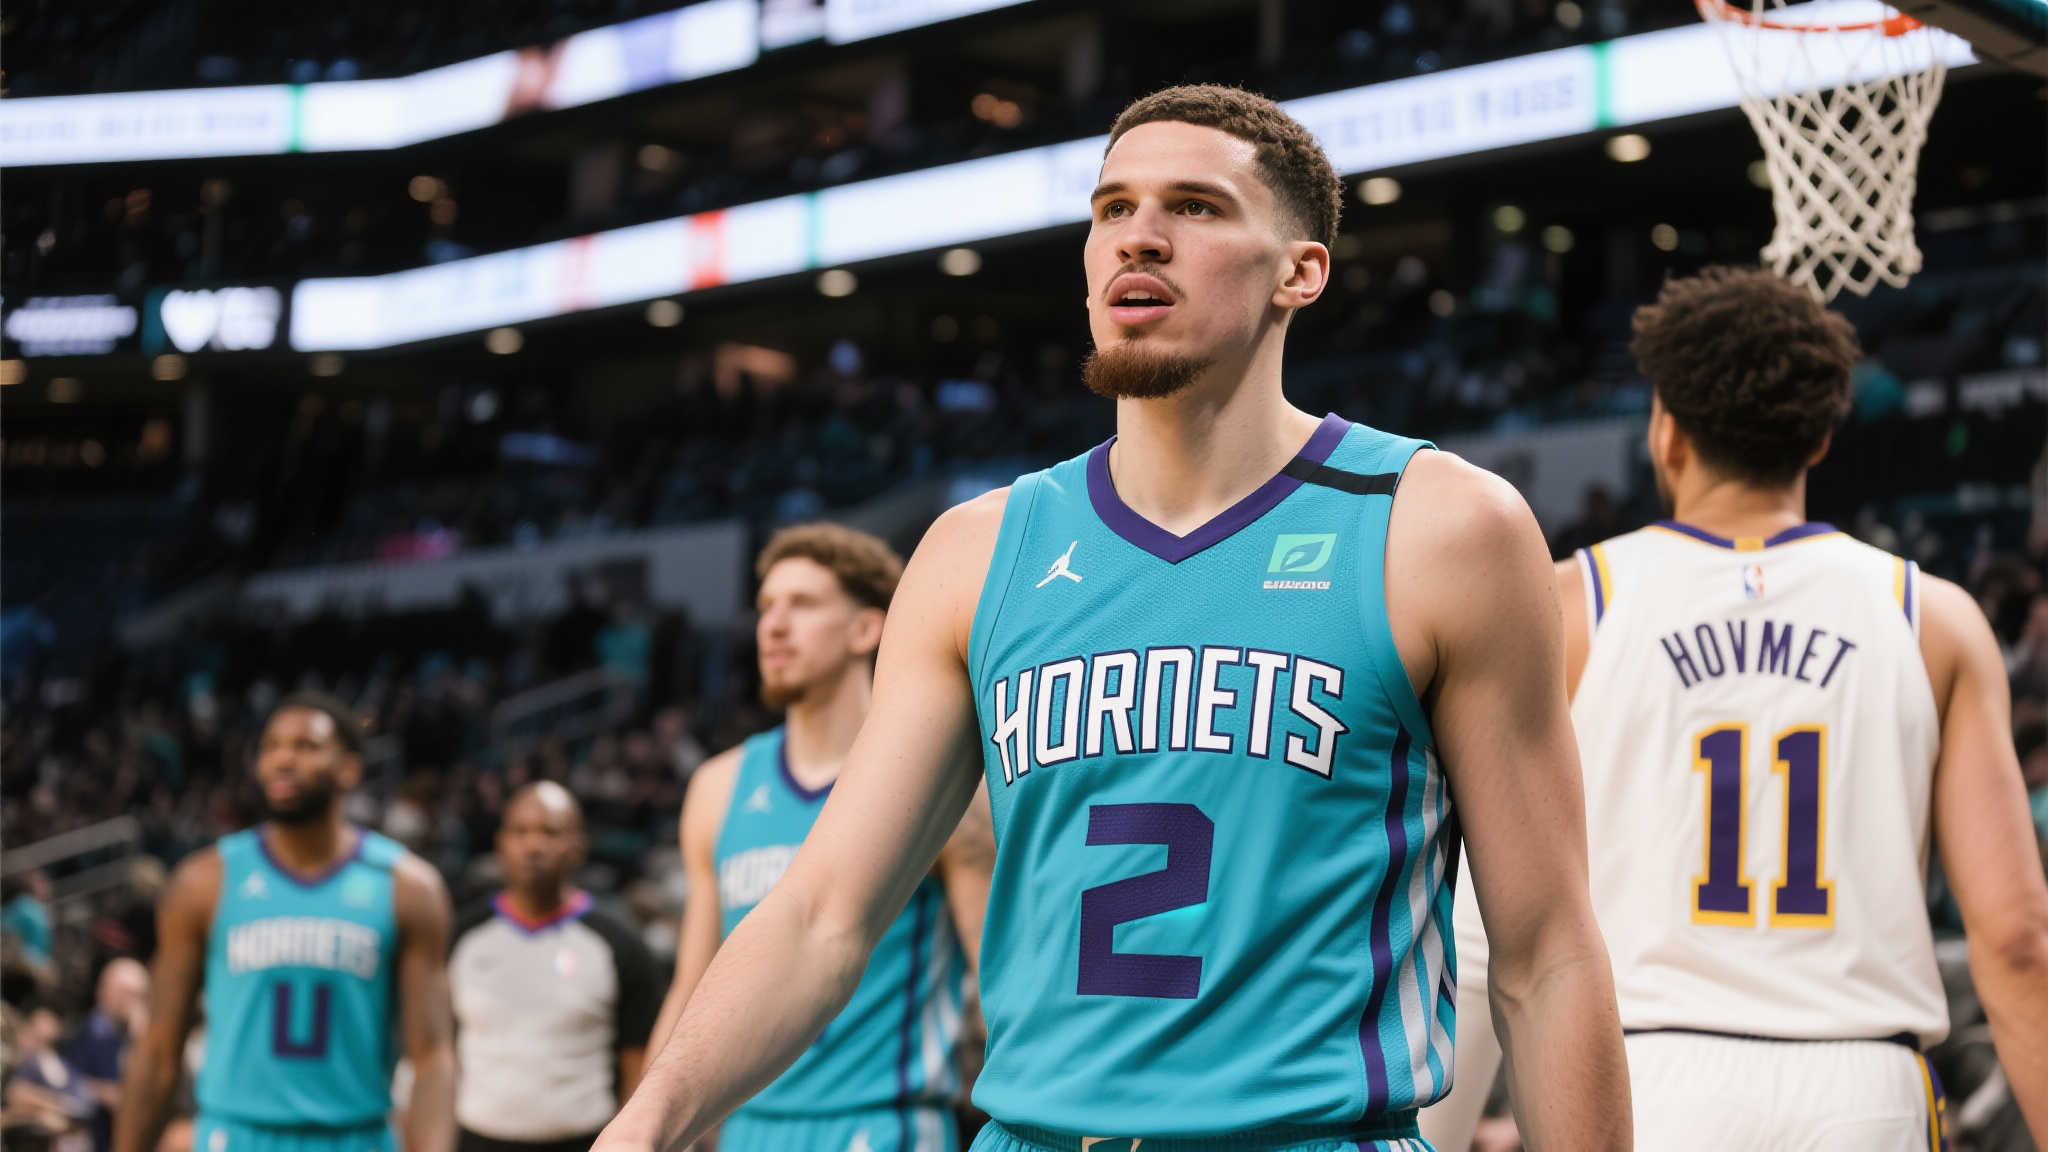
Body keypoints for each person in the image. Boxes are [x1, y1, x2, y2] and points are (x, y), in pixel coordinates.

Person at [600, 85, 1627, 1152]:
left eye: (1195, 206)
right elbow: (821, 914)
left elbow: (1544, 955)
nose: (1139, 235)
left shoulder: (1440, 528)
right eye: (1112, 209)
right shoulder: (975, 552)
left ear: (1300, 271)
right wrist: (646, 1124)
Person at [1421, 266, 2048, 1151]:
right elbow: (2016, 939)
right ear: (1821, 438)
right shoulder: (1933, 619)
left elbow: (1486, 930)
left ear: (1666, 431)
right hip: (1863, 1086)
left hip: (1644, 1080)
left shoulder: (1569, 606)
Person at [644, 523, 994, 1152]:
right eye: (766, 607)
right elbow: (691, 987)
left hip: (884, 1125)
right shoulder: (717, 788)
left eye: (802, 604)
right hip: (747, 1130)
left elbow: (998, 984)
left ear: (867, 629)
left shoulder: (942, 780)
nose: (773, 626)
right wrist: (648, 1124)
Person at [114, 692, 457, 1152]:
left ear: (349, 768)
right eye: (271, 746)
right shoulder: (203, 882)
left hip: (355, 1136)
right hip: (236, 1134)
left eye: (305, 746)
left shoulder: (409, 888)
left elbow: (433, 1055)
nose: (283, 760)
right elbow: (158, 1049)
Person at [450, 781, 660, 1152]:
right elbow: (435, 1053)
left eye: (549, 833)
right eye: (520, 832)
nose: (533, 845)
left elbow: (639, 1069)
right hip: (476, 1140)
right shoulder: (462, 938)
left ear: (578, 846)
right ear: (501, 843)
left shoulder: (620, 946)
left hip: (585, 1140)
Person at [66, 958, 148, 1152]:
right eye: (129, 994)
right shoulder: (92, 1031)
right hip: (89, 1133)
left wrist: (141, 1035)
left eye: (141, 996)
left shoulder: (131, 1034)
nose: (135, 1003)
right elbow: (70, 1081)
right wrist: (112, 1095)